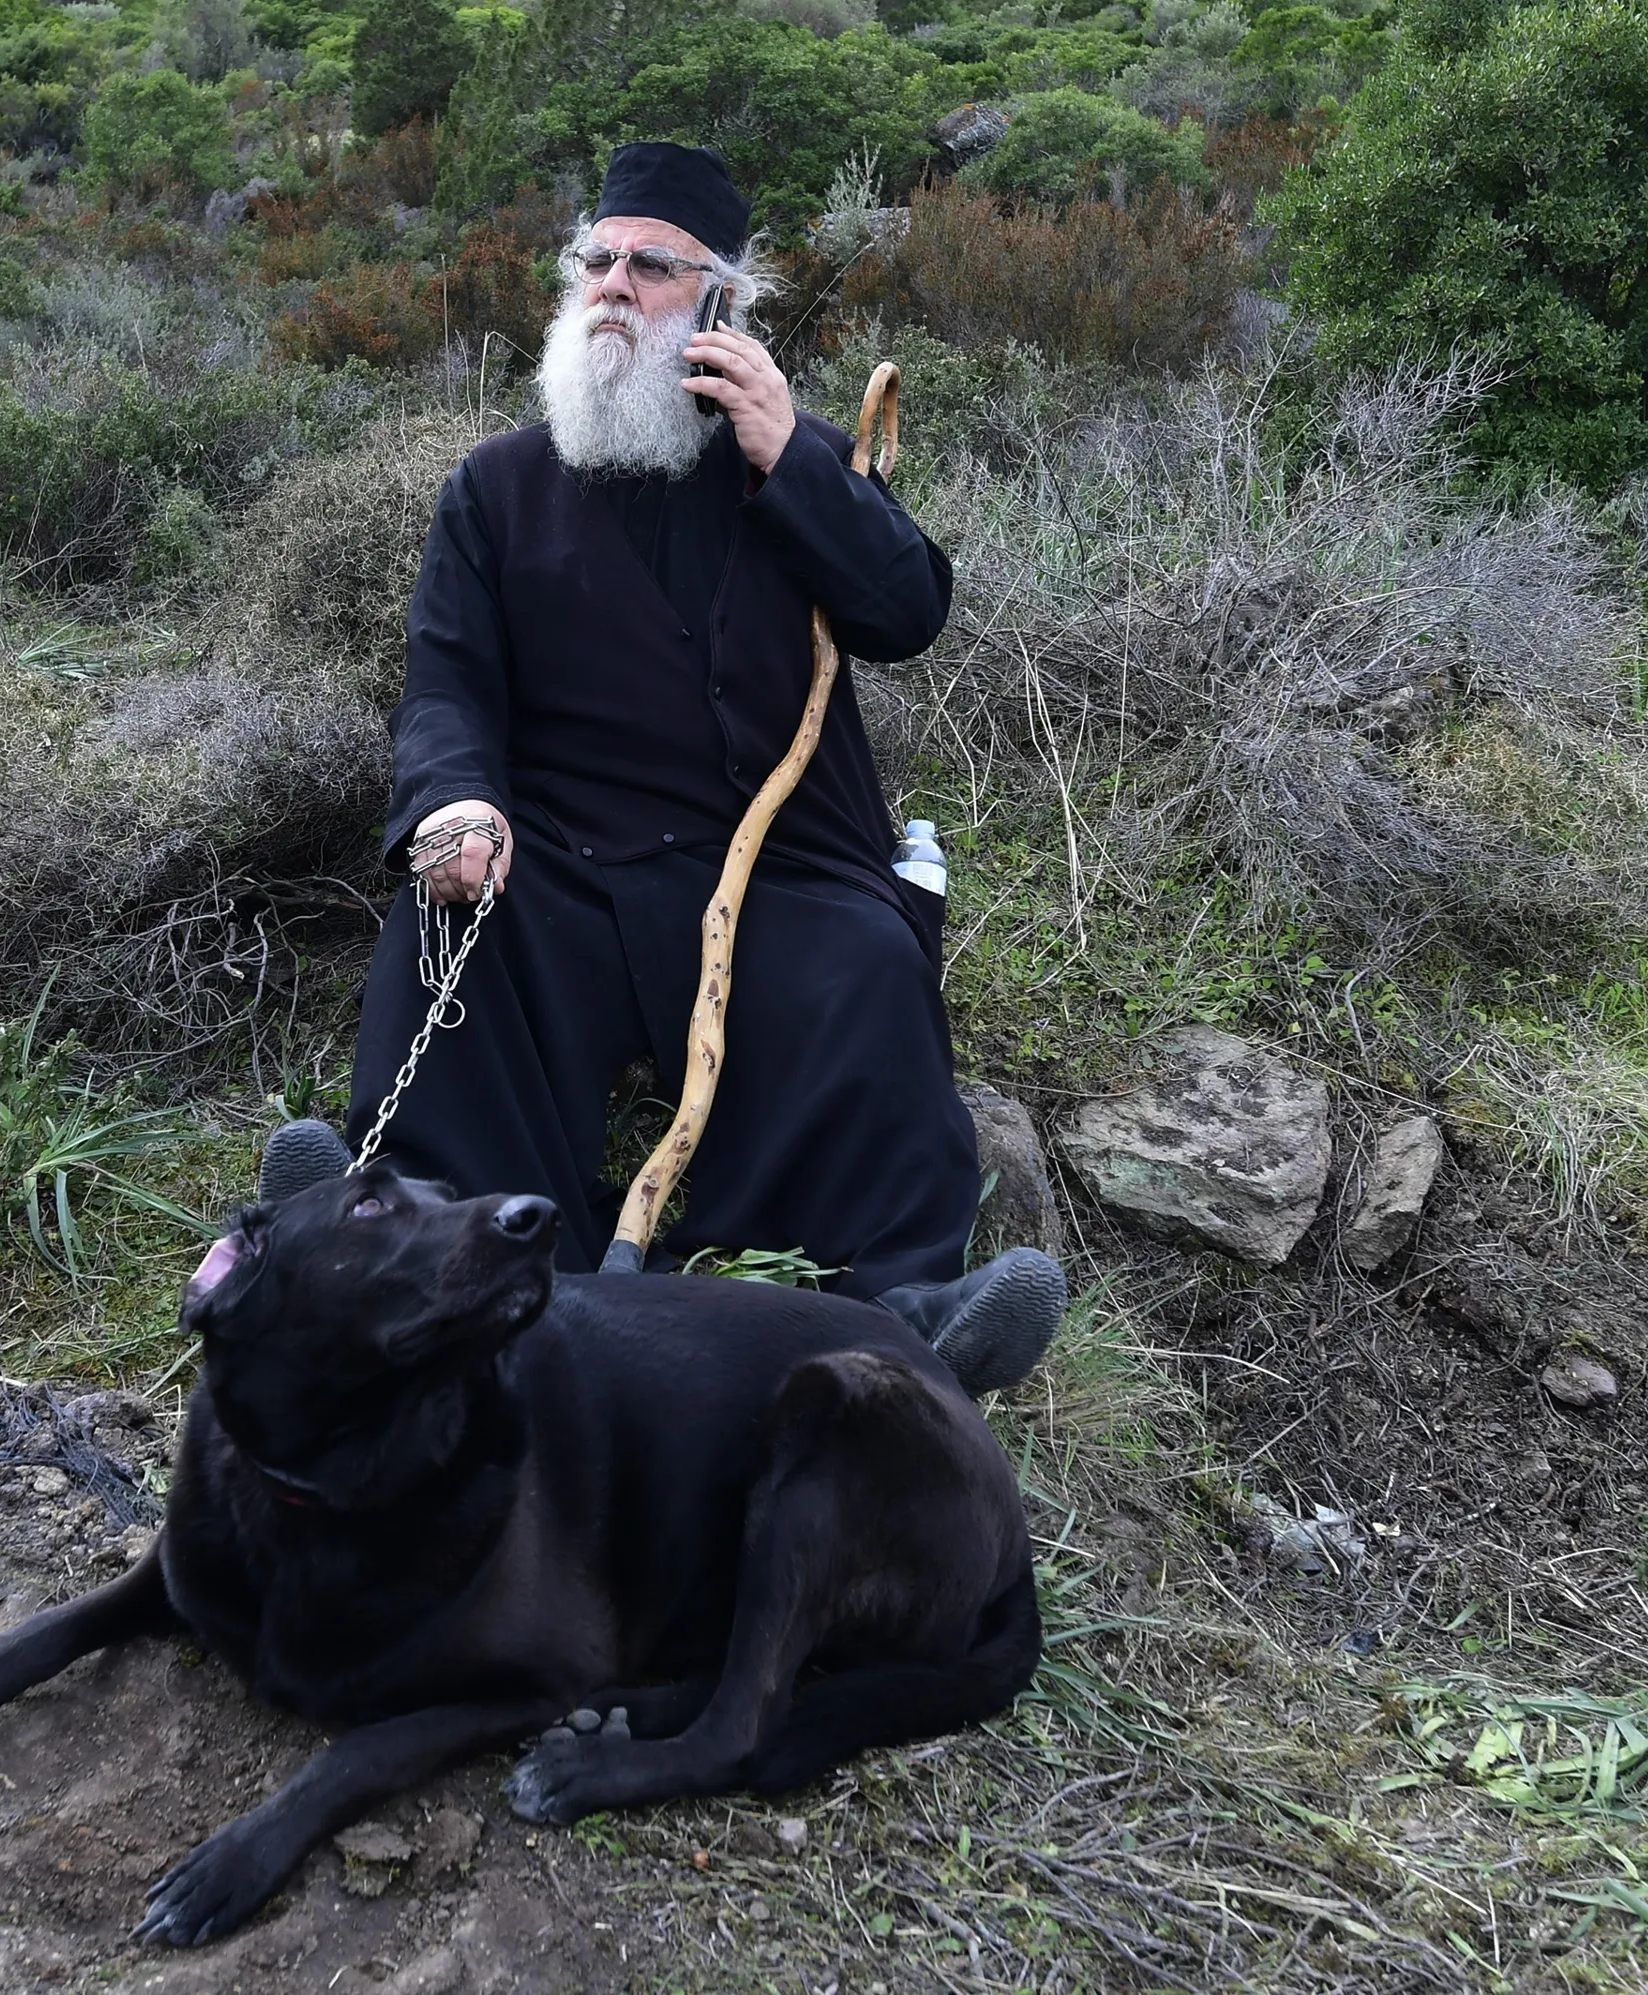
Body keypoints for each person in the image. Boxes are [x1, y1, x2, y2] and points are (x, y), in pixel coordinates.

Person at [259, 143, 1063, 1396]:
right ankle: (411, 1243)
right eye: (598, 260)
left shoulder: (790, 468)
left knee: (865, 965)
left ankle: (905, 1316)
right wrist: (458, 802)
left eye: (653, 267)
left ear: (721, 302)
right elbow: (448, 687)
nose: (614, 287)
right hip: (564, 855)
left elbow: (904, 614)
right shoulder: (496, 490)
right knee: (450, 931)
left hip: (775, 855)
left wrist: (793, 452)